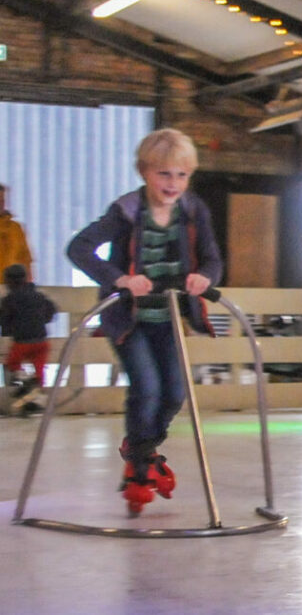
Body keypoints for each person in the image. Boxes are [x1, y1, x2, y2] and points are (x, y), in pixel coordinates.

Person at [68, 128, 223, 517]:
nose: (172, 184)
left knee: (174, 392)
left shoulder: (193, 210)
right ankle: (139, 469)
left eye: (181, 175)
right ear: (144, 172)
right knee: (147, 387)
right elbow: (79, 247)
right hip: (129, 319)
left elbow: (212, 259)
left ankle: (141, 449)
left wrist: (205, 277)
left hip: (169, 316)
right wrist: (119, 280)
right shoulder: (125, 211)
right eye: (163, 174)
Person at [2, 263, 57, 416]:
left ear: (9, 281)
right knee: (40, 369)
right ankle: (36, 399)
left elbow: (4, 319)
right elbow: (51, 311)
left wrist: (8, 330)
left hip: (22, 341)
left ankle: (24, 382)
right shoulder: (39, 295)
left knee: (12, 365)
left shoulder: (10, 299)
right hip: (42, 341)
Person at [0, 183, 32, 282]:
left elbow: (26, 260)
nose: (1, 204)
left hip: (13, 289)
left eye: (2, 200)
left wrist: (27, 288)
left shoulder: (15, 229)